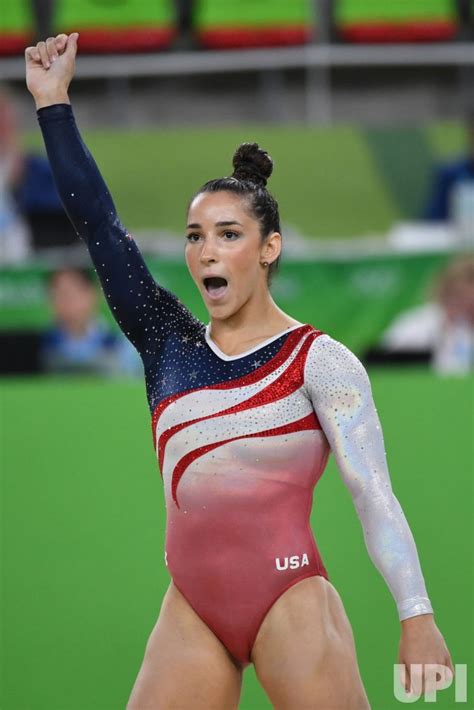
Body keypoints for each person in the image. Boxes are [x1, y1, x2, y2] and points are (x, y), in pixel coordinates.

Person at [25, 33, 454, 709]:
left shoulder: (320, 360)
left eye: (229, 234)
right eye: (196, 236)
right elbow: (101, 229)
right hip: (192, 609)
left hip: (291, 600)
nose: (207, 252)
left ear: (268, 248)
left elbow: (373, 495)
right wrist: (53, 103)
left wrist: (417, 615)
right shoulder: (166, 340)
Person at [380, 255, 474, 375]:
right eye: (462, 297)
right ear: (447, 293)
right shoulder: (415, 325)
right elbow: (384, 367)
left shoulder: (466, 330)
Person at [41, 266, 143, 376]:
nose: (65, 301)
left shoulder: (121, 342)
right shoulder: (42, 345)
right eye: (57, 293)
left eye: (71, 292)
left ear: (92, 293)